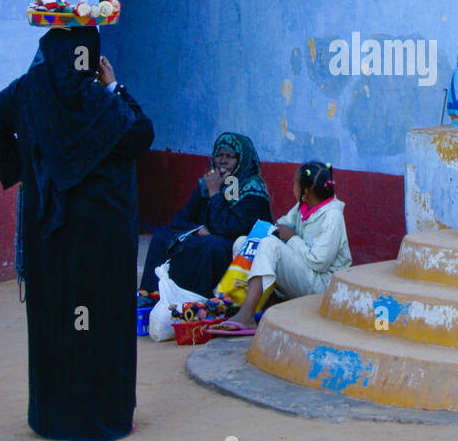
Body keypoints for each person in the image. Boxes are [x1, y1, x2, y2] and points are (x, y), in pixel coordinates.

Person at [0, 21, 153, 441]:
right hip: (102, 239)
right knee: (100, 324)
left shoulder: (27, 92)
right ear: (91, 57)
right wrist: (115, 87)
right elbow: (142, 134)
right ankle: (102, 417)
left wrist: (31, 169)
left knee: (57, 321)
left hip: (49, 235)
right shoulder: (103, 104)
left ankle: (54, 417)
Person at [210, 161, 351, 335]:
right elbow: (282, 225)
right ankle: (245, 304)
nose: (293, 186)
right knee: (243, 242)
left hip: (322, 285)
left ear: (305, 192)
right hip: (305, 272)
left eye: (295, 183)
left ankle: (246, 315)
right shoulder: (303, 206)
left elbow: (319, 262)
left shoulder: (332, 217)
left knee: (270, 245)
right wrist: (269, 233)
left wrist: (292, 238)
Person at [137, 133, 273, 299]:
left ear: (242, 159)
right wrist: (197, 228)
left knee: (208, 247)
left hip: (239, 245)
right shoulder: (208, 183)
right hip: (207, 237)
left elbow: (232, 227)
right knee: (162, 238)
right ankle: (152, 297)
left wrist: (215, 193)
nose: (223, 161)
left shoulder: (252, 187)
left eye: (229, 156)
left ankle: (195, 306)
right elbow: (180, 219)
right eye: (219, 155)